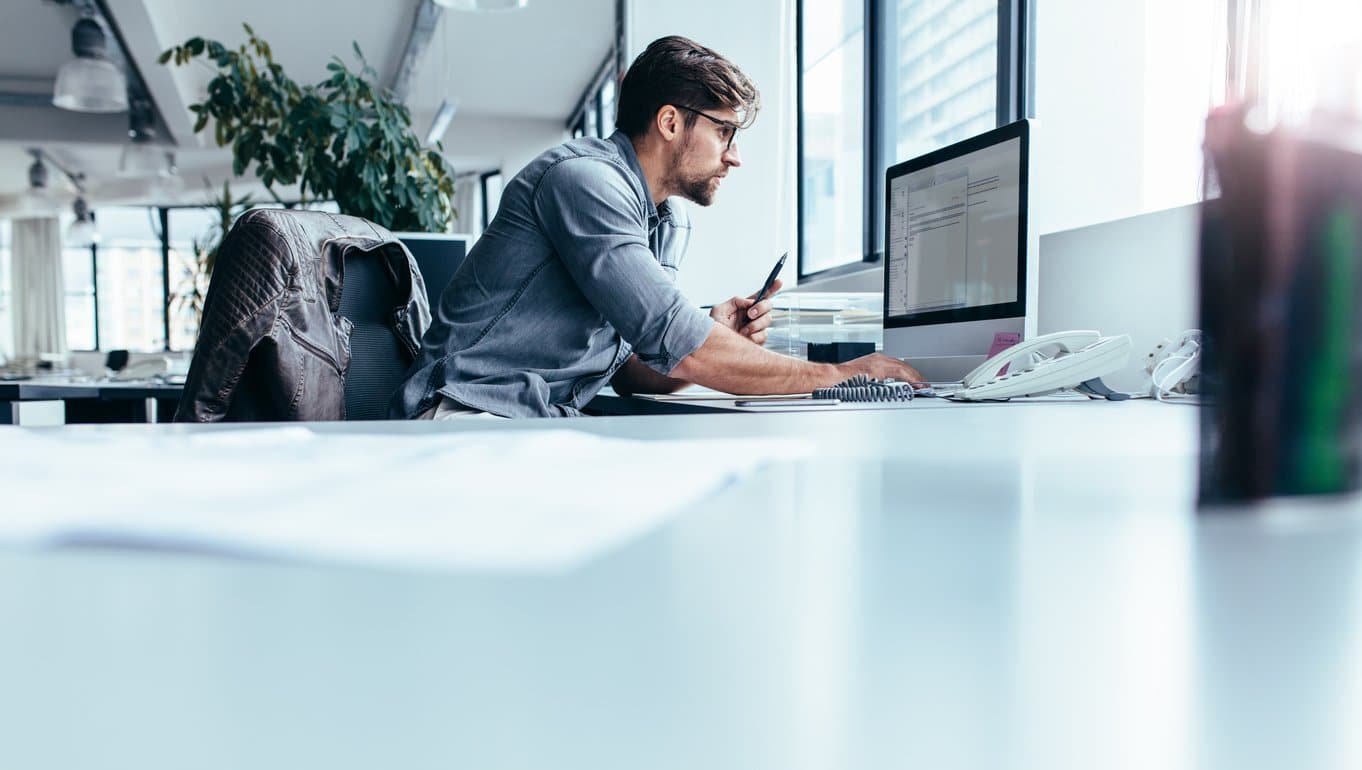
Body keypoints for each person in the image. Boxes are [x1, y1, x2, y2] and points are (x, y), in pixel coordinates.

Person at [390, 35, 923, 420]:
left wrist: (714, 332)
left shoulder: (666, 218)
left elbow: (629, 370)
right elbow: (679, 341)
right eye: (725, 132)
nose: (734, 156)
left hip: (537, 420)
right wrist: (840, 377)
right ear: (671, 122)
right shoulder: (584, 182)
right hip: (466, 413)